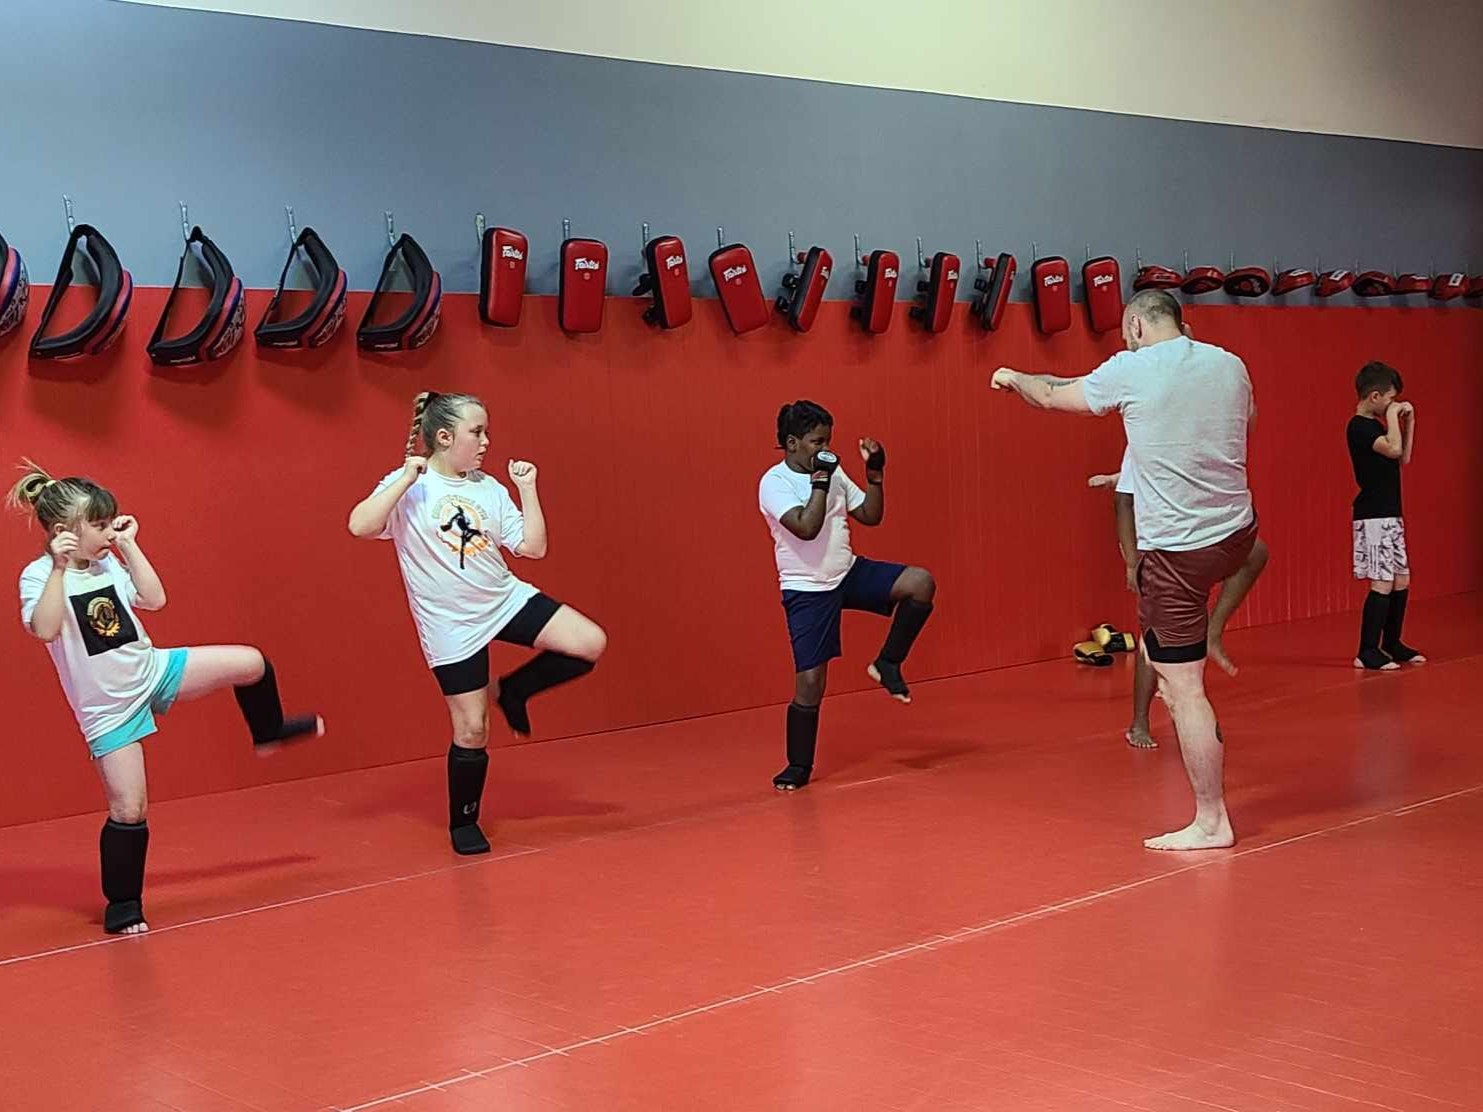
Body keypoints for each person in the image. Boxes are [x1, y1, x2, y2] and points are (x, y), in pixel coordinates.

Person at [9, 461, 322, 935]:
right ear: (63, 532)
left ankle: (268, 731)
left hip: (153, 670)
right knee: (129, 810)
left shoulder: (107, 562)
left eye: (108, 522)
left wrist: (130, 546)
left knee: (252, 663)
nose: (109, 531)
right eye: (99, 525)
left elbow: (155, 600)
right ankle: (123, 905)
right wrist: (57, 568)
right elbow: (46, 629)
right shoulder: (37, 576)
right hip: (108, 708)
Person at [993, 290, 1256, 850]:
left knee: (1183, 690)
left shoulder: (1131, 368)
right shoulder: (1230, 364)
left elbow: (1052, 394)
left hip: (1179, 556)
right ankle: (1211, 631)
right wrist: (1146, 469)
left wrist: (1014, 377)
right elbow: (1230, 426)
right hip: (1237, 536)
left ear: (1135, 325)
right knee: (1246, 559)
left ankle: (1212, 821)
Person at [348, 392, 606, 856]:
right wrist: (404, 478)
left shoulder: (489, 487)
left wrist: (527, 488)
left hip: (503, 598)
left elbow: (533, 548)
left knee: (589, 641)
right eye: (477, 432)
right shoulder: (412, 486)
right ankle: (463, 822)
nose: (486, 441)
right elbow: (360, 526)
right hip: (450, 623)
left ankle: (515, 690)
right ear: (445, 437)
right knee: (471, 729)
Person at [758, 400, 935, 791]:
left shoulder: (832, 472)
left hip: (848, 573)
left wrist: (875, 475)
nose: (825, 449)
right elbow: (806, 528)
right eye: (816, 442)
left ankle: (888, 663)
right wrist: (821, 481)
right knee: (811, 683)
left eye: (828, 441)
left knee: (920, 582)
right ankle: (798, 766)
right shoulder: (774, 483)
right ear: (792, 443)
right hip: (807, 588)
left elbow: (870, 515)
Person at [1090, 450, 1269, 749]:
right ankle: (1139, 722)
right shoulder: (1144, 441)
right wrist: (1132, 563)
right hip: (1161, 550)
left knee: (1256, 553)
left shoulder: (1188, 443)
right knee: (1152, 638)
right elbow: (1123, 501)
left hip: (1198, 541)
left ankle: (1211, 633)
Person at [1348, 361, 1423, 670]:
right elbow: (1392, 450)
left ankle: (1392, 642)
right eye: (1391, 399)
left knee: (1401, 578)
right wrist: (1393, 415)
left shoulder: (1379, 428)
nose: (1394, 405)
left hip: (1391, 513)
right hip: (1374, 515)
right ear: (1375, 396)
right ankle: (1367, 650)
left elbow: (1402, 456)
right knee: (1382, 580)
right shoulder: (1359, 427)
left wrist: (1409, 423)